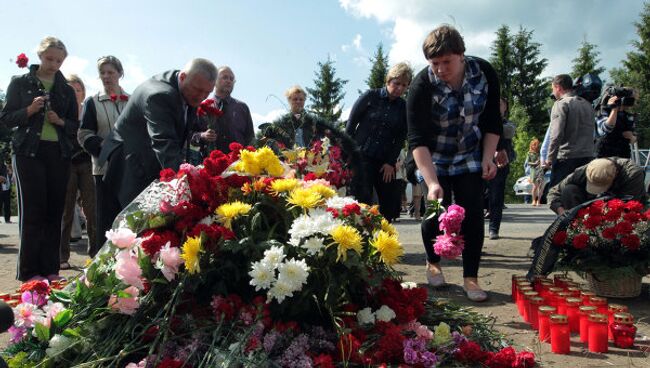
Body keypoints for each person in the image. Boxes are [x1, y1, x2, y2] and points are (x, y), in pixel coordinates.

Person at [408, 25, 501, 302]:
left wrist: (488, 158)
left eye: (446, 62)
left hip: (470, 154)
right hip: (432, 158)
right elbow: (416, 139)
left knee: (472, 212)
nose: (440, 69)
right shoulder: (420, 85)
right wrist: (433, 181)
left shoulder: (484, 73)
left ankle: (470, 279)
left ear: (461, 55)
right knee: (436, 211)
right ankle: (433, 261)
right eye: (434, 63)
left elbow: (492, 122)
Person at [0, 36, 78, 281]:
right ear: (39, 56)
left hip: (58, 153)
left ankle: (51, 269)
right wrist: (29, 111)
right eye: (49, 58)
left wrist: (61, 121)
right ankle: (29, 272)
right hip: (28, 152)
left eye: (58, 60)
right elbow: (6, 119)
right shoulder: (20, 83)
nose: (53, 64)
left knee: (54, 211)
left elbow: (76, 125)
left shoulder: (65, 89)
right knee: (33, 211)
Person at [98, 58, 217, 218]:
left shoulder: (186, 88)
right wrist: (188, 185)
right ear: (182, 77)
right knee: (125, 230)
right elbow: (165, 143)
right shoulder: (159, 95)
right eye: (197, 90)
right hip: (128, 165)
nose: (201, 97)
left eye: (207, 92)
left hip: (147, 160)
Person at [346, 62, 412, 221]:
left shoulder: (404, 107)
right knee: (362, 202)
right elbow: (350, 125)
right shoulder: (370, 96)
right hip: (362, 157)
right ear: (388, 81)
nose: (400, 88)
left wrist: (390, 162)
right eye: (397, 83)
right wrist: (348, 154)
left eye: (404, 85)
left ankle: (384, 241)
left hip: (385, 162)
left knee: (389, 205)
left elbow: (400, 137)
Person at [78, 56, 129, 251]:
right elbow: (84, 134)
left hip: (129, 169)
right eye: (102, 73)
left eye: (111, 72)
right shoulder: (93, 102)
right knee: (105, 219)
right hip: (103, 169)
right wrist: (105, 149)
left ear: (120, 73)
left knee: (127, 216)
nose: (106, 76)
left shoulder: (133, 100)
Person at [59, 74, 96, 268]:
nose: (75, 93)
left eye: (78, 89)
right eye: (70, 89)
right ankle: (62, 257)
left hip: (88, 163)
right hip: (67, 162)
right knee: (66, 210)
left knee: (92, 210)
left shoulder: (89, 110)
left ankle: (95, 254)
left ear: (83, 92)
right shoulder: (61, 112)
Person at [547, 157, 647, 215]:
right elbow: (553, 192)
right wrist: (562, 212)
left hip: (621, 209)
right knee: (569, 190)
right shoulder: (584, 170)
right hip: (588, 206)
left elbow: (630, 206)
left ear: (615, 175)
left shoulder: (633, 174)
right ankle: (575, 227)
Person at [545, 74, 595, 188]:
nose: (553, 92)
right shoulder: (588, 105)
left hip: (566, 158)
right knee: (581, 196)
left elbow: (556, 134)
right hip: (587, 157)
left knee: (557, 196)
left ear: (558, 87)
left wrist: (549, 158)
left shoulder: (561, 104)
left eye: (553, 88)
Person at [192, 66, 254, 156]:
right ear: (214, 81)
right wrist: (202, 135)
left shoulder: (242, 108)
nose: (229, 81)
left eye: (231, 79)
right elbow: (189, 136)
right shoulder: (202, 107)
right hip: (209, 164)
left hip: (238, 165)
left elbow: (250, 138)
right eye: (224, 77)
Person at [259, 85, 331, 150]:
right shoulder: (281, 123)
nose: (298, 102)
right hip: (286, 162)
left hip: (311, 162)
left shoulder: (313, 122)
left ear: (305, 101)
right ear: (289, 100)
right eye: (295, 99)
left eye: (301, 99)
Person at [486, 98, 516, 239]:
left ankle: (494, 228)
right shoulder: (483, 120)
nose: (497, 106)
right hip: (482, 163)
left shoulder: (508, 124)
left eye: (500, 104)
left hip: (500, 165)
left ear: (505, 108)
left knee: (496, 197)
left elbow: (507, 132)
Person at [596, 88, 638, 158]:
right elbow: (606, 128)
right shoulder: (604, 111)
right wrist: (614, 108)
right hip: (605, 156)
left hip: (623, 156)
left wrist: (632, 137)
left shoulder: (627, 116)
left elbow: (633, 137)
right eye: (628, 99)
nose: (630, 103)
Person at [526, 138, 544, 206]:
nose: (536, 146)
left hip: (540, 170)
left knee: (540, 186)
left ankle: (538, 201)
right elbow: (528, 162)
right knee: (535, 186)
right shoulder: (529, 153)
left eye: (537, 145)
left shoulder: (540, 153)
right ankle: (533, 200)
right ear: (531, 146)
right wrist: (535, 163)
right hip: (533, 171)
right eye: (534, 145)